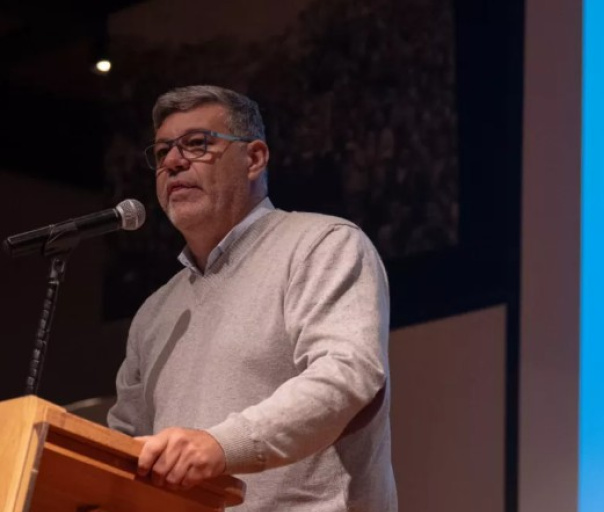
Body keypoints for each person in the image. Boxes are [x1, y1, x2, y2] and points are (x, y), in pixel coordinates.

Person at [107, 85, 398, 512]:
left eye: (197, 144)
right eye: (163, 150)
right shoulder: (154, 313)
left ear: (255, 158)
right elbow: (124, 444)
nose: (173, 162)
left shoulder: (322, 246)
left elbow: (349, 376)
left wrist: (221, 445)